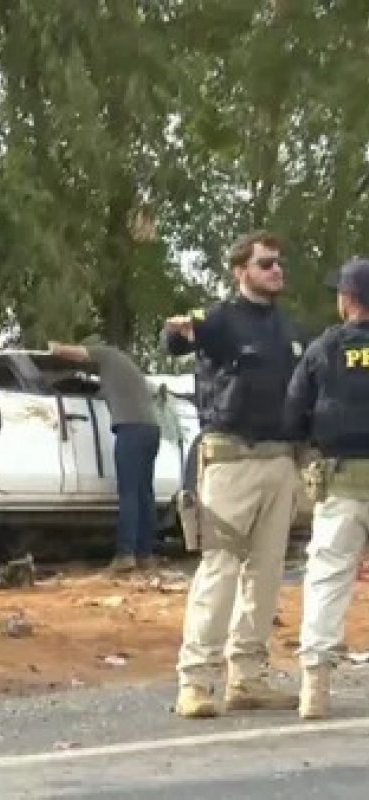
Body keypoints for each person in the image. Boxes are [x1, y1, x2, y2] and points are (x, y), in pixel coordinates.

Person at [161, 230, 306, 718]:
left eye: (278, 263)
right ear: (240, 271)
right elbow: (176, 340)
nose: (276, 271)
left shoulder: (286, 326)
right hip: (231, 458)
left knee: (266, 574)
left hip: (279, 458)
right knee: (220, 570)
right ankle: (195, 680)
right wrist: (178, 329)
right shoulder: (221, 319)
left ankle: (247, 677)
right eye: (266, 264)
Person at [283, 257, 369, 719]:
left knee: (328, 579)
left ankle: (314, 686)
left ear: (347, 300)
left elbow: (294, 411)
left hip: (342, 482)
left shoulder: (325, 348)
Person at [48, 338, 162, 573]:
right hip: (150, 429)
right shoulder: (127, 370)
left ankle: (125, 555)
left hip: (131, 430)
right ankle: (146, 555)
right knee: (144, 493)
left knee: (129, 492)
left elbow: (76, 352)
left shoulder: (108, 353)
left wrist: (55, 349)